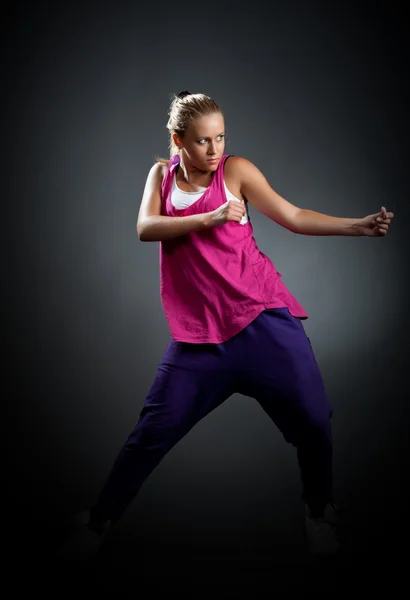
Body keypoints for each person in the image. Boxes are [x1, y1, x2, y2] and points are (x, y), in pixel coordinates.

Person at [60, 90, 393, 562]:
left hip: (260, 320)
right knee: (148, 435)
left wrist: (355, 226)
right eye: (202, 141)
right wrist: (210, 216)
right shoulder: (161, 177)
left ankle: (318, 514)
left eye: (220, 137)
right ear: (179, 142)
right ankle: (96, 525)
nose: (215, 150)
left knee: (315, 420)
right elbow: (145, 227)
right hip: (199, 342)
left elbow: (293, 216)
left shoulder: (235, 171)